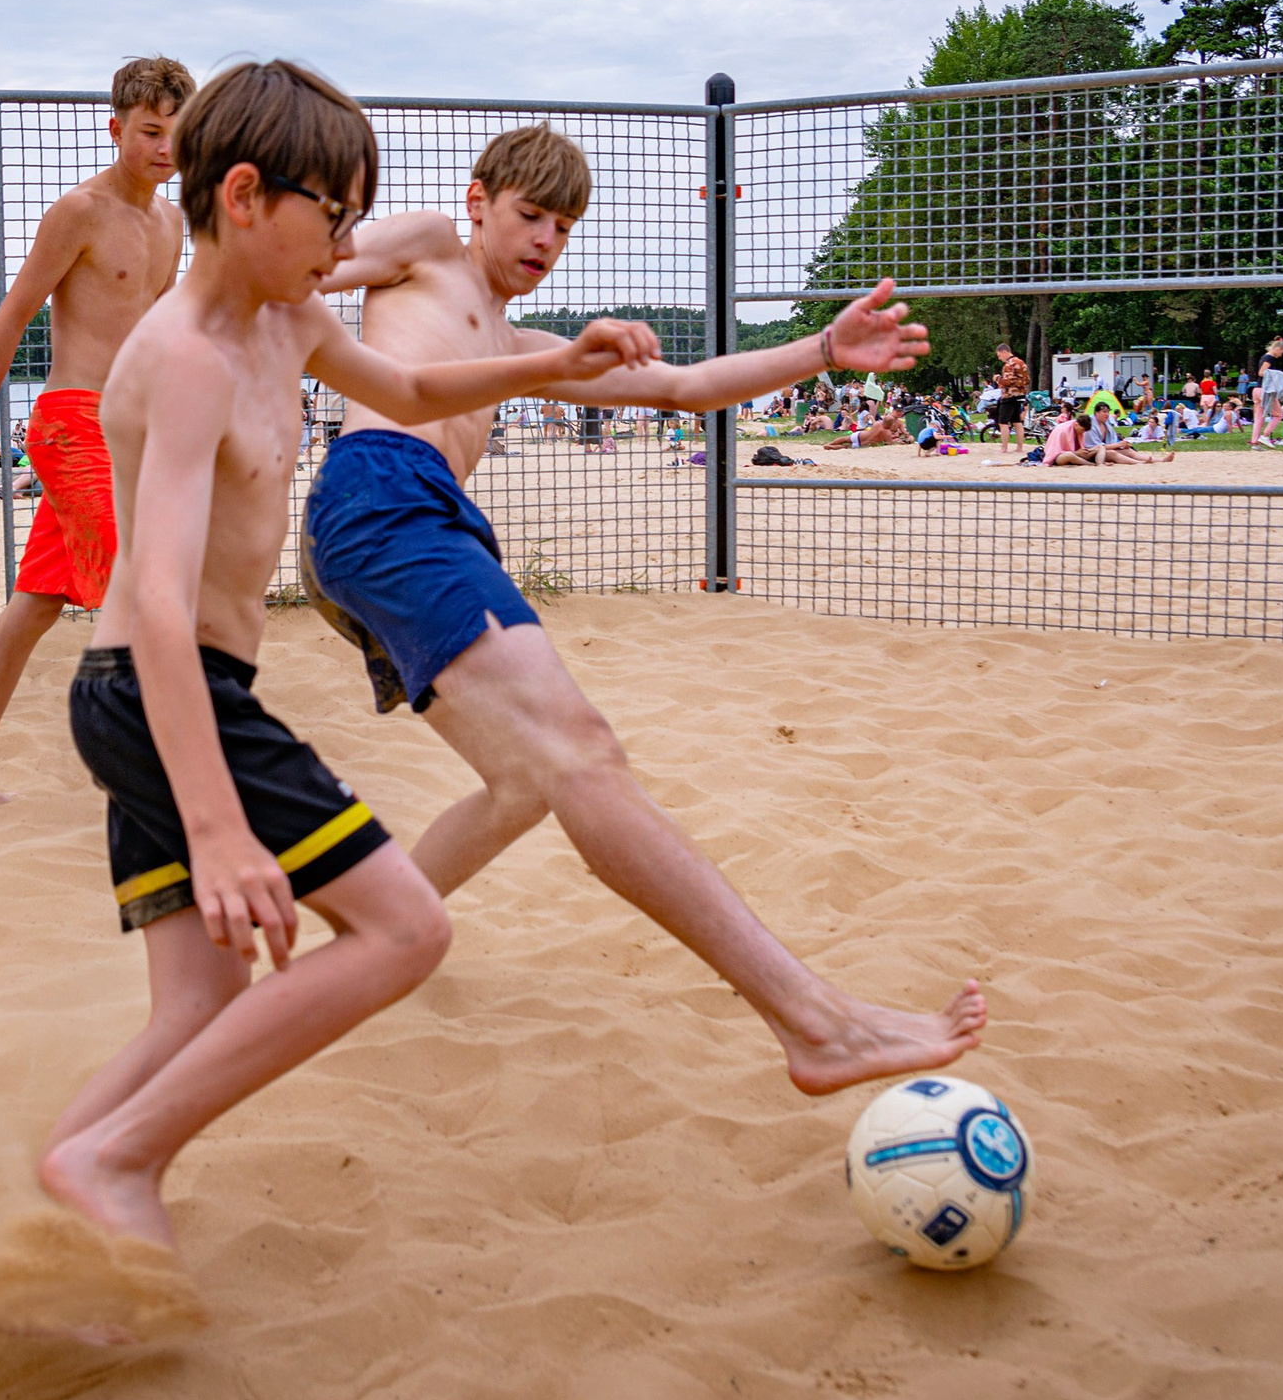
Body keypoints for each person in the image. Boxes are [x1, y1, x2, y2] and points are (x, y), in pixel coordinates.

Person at [35, 62, 662, 1251]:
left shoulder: (287, 318)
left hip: (162, 700)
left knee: (196, 1012)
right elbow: (157, 599)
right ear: (245, 195)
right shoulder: (186, 357)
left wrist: (552, 363)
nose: (346, 244)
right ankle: (114, 1159)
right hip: (167, 694)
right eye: (334, 214)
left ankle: (58, 1210)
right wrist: (218, 828)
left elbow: (415, 382)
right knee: (407, 930)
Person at [309, 122, 986, 1102]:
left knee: (526, 781)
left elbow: (682, 386)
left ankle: (383, 924)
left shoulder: (526, 346)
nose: (544, 237)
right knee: (581, 746)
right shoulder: (420, 250)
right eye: (528, 214)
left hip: (412, 523)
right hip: (383, 491)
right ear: (478, 202)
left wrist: (821, 348)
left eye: (563, 226)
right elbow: (298, 269)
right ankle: (814, 1021)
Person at [0, 58, 195, 816]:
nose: (163, 147)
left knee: (33, 607)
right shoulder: (78, 211)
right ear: (117, 129)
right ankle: (161, 786)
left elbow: (161, 334)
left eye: (176, 133)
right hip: (73, 422)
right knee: (147, 597)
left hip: (134, 428)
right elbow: (10, 318)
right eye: (149, 132)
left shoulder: (173, 222)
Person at [1251, 336, 1283, 449]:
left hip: (1257, 390)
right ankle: (1265, 435)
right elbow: (1262, 373)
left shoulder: (1264, 357)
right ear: (1277, 348)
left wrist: (1282, 386)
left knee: (1259, 418)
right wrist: (1278, 377)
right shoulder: (1269, 358)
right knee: (1278, 415)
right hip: (1265, 391)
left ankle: (1255, 442)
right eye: (1281, 352)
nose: (1281, 355)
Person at [991, 341, 1029, 454]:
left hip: (1009, 396)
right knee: (1017, 421)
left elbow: (1007, 382)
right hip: (1020, 396)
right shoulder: (1022, 363)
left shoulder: (1009, 364)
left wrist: (997, 378)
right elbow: (1027, 380)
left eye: (999, 355)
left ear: (1004, 352)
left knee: (1003, 423)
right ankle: (1020, 448)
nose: (999, 358)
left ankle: (1004, 448)